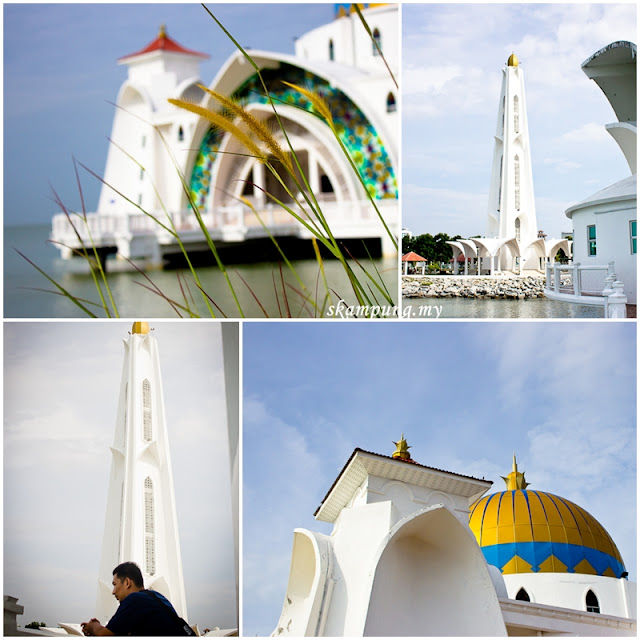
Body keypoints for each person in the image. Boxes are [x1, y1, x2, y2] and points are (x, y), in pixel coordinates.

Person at [81, 562, 193, 636]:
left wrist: (94, 626)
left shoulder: (134, 599)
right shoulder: (157, 596)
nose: (113, 591)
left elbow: (104, 635)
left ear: (127, 583)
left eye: (115, 584)